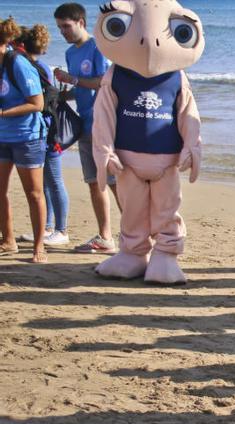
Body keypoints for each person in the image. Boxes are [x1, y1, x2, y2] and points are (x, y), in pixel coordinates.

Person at [53, 2, 116, 254]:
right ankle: (105, 237)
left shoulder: (98, 48)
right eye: (59, 28)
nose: (63, 32)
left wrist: (74, 79)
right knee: (93, 182)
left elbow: (104, 83)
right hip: (84, 124)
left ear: (81, 22)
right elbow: (80, 89)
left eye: (66, 26)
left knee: (114, 182)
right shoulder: (71, 53)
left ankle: (135, 235)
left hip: (104, 123)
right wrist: (60, 95)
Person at [16, 24, 69, 247]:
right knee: (44, 182)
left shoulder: (34, 68)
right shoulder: (38, 66)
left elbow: (40, 102)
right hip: (44, 129)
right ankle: (47, 226)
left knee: (54, 180)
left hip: (47, 131)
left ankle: (61, 229)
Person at [0, 17, 48, 263]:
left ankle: (39, 246)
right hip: (2, 137)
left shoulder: (17, 63)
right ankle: (8, 240)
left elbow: (37, 104)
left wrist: (2, 113)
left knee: (34, 193)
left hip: (27, 136)